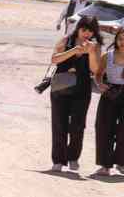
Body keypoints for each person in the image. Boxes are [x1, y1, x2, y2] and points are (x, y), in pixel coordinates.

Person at [48, 16, 99, 173]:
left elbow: (95, 70)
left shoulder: (94, 46)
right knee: (59, 124)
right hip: (61, 88)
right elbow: (54, 59)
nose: (87, 34)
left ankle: (73, 158)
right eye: (84, 30)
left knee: (78, 125)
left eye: (90, 31)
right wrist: (74, 50)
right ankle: (58, 160)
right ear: (78, 28)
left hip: (82, 90)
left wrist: (91, 52)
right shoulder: (66, 40)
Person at [97, 27, 124, 176]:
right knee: (105, 128)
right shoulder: (108, 56)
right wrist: (100, 85)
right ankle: (105, 165)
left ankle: (121, 163)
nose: (123, 42)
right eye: (120, 39)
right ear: (116, 39)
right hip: (110, 93)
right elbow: (98, 74)